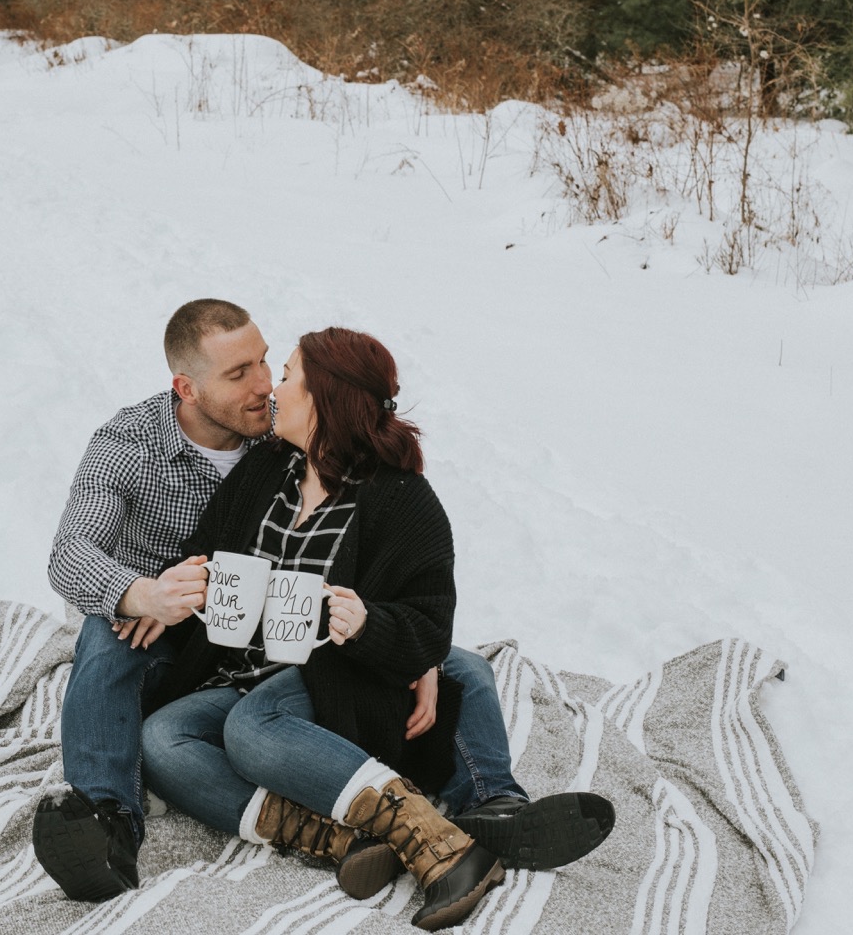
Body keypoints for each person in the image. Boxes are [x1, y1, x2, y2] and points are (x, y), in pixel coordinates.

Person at [33, 300, 610, 907]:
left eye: (270, 366)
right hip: (194, 647)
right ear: (188, 388)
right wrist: (143, 592)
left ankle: (491, 808)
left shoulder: (340, 473)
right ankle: (110, 823)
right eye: (241, 375)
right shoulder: (159, 450)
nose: (264, 387)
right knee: (129, 670)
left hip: (322, 664)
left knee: (459, 665)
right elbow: (77, 552)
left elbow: (419, 601)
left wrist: (404, 648)